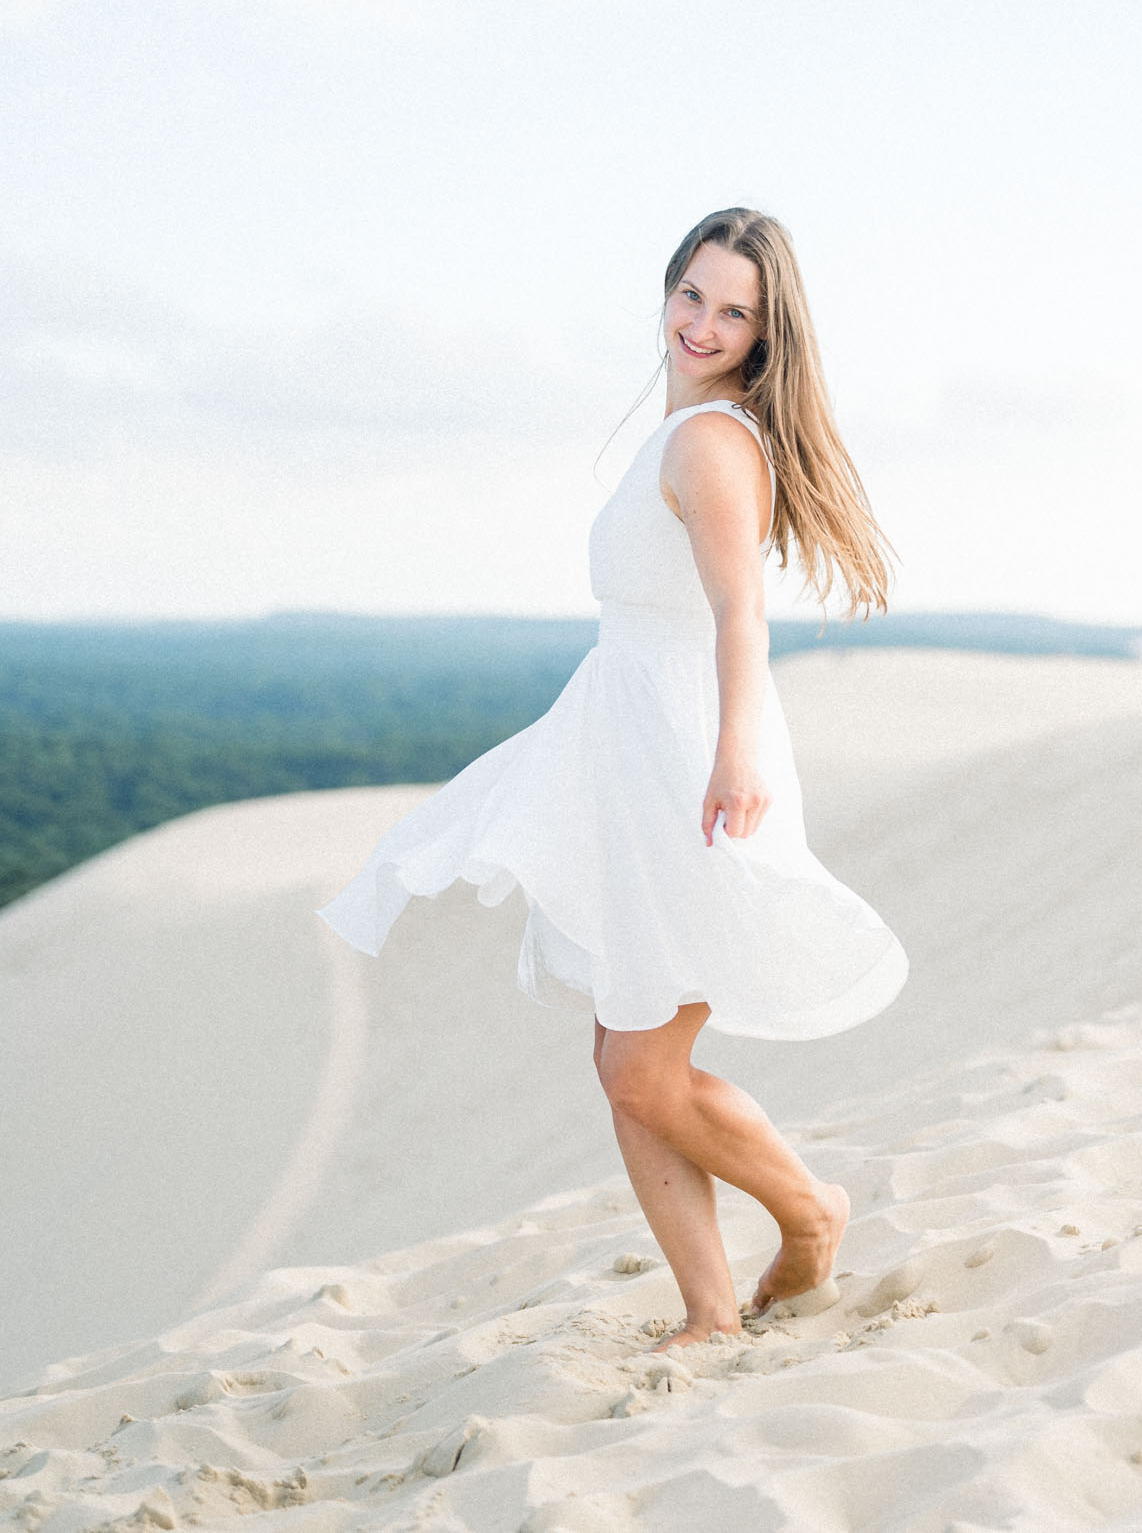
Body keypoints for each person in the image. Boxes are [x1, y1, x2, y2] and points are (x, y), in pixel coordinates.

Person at [318, 207, 908, 1352]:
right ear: (668, 289)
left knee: (643, 1061)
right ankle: (708, 1313)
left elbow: (742, 612)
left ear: (762, 331)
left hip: (687, 752)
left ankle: (811, 1210)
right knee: (622, 1052)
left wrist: (734, 749)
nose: (703, 323)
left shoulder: (710, 444)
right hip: (626, 743)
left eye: (733, 310)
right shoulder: (681, 434)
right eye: (693, 295)